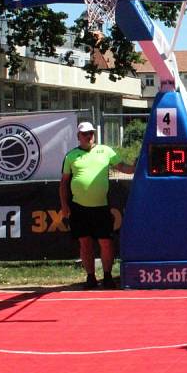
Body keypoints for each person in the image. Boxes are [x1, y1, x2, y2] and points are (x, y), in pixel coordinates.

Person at [59, 121, 135, 289]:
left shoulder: (105, 151)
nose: (89, 136)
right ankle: (91, 277)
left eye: (91, 133)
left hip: (101, 206)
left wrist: (136, 166)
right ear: (78, 136)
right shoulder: (71, 156)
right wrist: (65, 206)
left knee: (106, 242)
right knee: (85, 242)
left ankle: (107, 276)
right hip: (78, 207)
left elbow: (122, 167)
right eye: (85, 134)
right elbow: (64, 183)